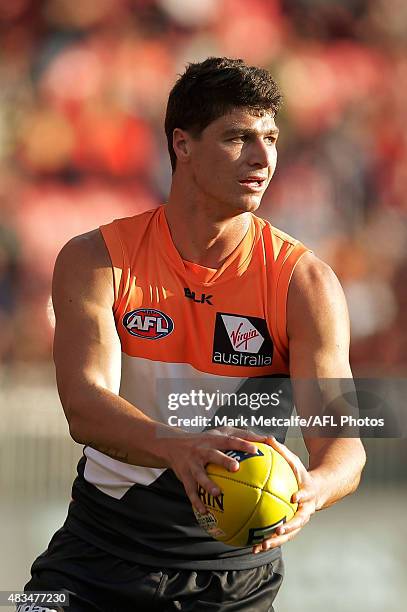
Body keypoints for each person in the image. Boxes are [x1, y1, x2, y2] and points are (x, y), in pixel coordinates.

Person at [24, 57, 366, 612]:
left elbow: (343, 445)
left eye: (271, 137)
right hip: (96, 556)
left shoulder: (304, 283)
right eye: (238, 137)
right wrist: (179, 448)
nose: (262, 157)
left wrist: (311, 492)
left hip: (233, 582)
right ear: (182, 145)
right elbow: (83, 406)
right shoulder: (97, 259)